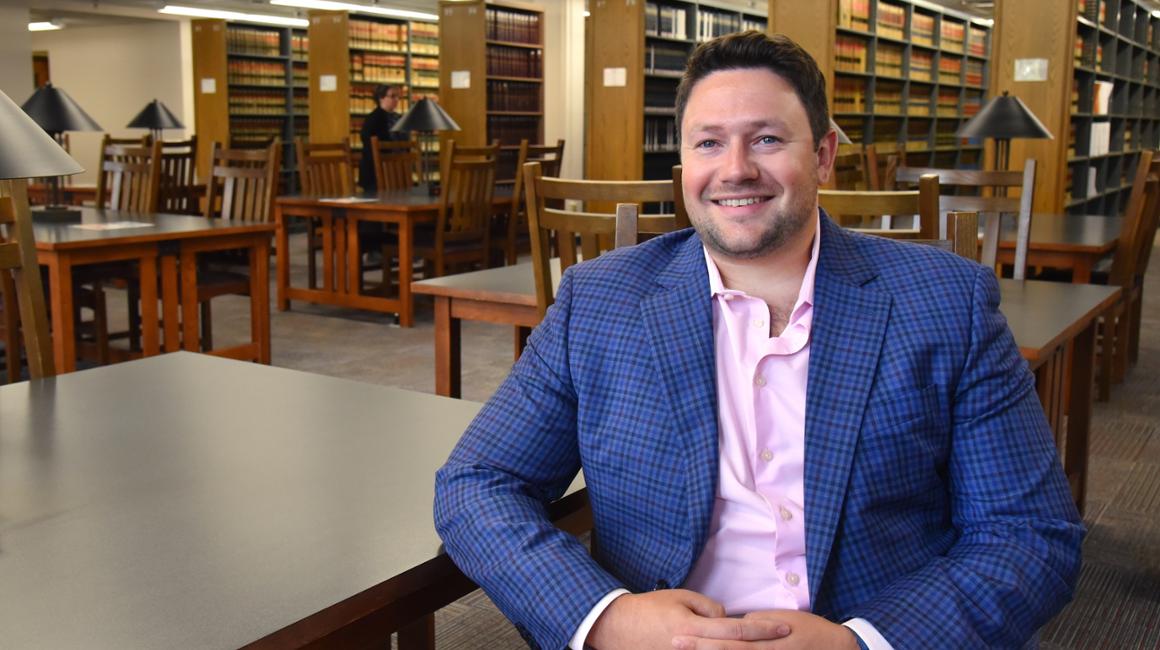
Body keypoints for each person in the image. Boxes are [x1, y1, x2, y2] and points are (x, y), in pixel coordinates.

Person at [434, 31, 1082, 650]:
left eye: (767, 139)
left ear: (824, 154)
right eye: (709, 143)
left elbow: (1030, 535)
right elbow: (477, 483)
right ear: (682, 163)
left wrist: (862, 641)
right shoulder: (599, 301)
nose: (735, 169)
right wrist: (606, 618)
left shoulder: (946, 302)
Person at [358, 83, 409, 192]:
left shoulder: (400, 118)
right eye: (392, 96)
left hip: (398, 170)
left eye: (398, 97)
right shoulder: (373, 119)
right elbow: (369, 146)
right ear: (381, 98)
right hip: (376, 172)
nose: (396, 100)